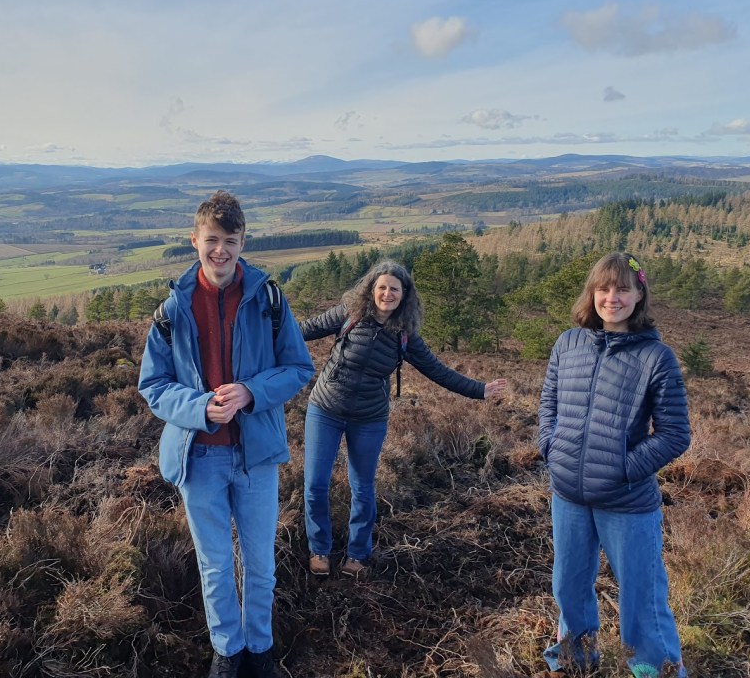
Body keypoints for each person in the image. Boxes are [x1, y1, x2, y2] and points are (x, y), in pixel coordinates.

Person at [138, 190, 315, 678]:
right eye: (211, 240)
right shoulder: (171, 310)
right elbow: (151, 385)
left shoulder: (268, 299)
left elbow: (299, 367)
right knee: (215, 565)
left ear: (243, 242)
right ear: (194, 240)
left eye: (230, 241)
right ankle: (226, 649)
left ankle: (259, 651)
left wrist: (250, 393)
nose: (220, 251)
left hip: (255, 456)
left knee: (261, 565)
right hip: (200, 459)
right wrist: (200, 408)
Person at [299, 260, 507, 577]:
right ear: (371, 289)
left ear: (404, 295)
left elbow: (438, 371)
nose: (387, 293)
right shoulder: (349, 313)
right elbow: (305, 330)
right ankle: (319, 550)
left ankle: (357, 554)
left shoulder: (404, 335)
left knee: (363, 487)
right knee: (315, 484)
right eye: (381, 287)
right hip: (325, 408)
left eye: (394, 289)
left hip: (368, 418)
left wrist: (481, 390)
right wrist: (264, 330)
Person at [537, 252, 691, 678]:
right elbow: (548, 404)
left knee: (642, 597)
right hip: (568, 495)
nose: (612, 297)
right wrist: (551, 447)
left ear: (639, 294)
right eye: (604, 288)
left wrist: (622, 469)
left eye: (623, 288)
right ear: (592, 293)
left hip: (627, 501)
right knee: (569, 586)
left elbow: (676, 434)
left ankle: (653, 670)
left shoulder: (656, 357)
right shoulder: (568, 343)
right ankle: (574, 660)